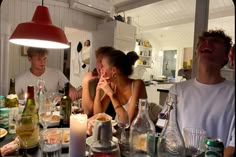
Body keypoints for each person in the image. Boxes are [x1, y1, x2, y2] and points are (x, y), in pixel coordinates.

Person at [158, 29, 234, 157]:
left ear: (226, 57)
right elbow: (165, 131)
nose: (207, 43)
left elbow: (232, 148)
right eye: (203, 41)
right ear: (197, 53)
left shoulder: (232, 93)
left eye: (215, 41)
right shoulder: (177, 90)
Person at [93, 49, 147, 124]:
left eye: (103, 66)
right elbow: (97, 115)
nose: (100, 70)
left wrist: (112, 95)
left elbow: (127, 122)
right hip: (121, 131)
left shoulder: (137, 85)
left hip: (138, 132)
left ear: (114, 70)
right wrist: (98, 90)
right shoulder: (113, 85)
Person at [15, 47, 81, 101]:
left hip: (52, 113)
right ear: (30, 59)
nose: (42, 62)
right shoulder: (20, 79)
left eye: (44, 59)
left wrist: (71, 89)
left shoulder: (56, 73)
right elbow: (12, 99)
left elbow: (70, 87)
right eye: (39, 59)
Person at [81, 46, 115, 117]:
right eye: (98, 61)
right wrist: (85, 81)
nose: (100, 65)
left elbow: (95, 114)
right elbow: (87, 110)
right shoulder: (93, 79)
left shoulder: (112, 82)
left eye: (102, 62)